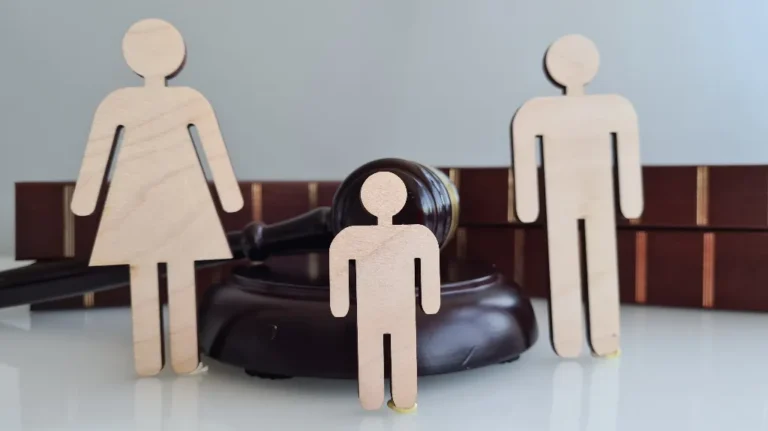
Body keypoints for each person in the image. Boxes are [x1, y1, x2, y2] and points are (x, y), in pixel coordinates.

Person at [71, 18, 243, 376]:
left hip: (175, 196)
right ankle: (159, 359)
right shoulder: (127, 102)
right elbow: (98, 152)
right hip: (141, 198)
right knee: (150, 272)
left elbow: (213, 148)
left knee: (167, 271)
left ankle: (178, 358)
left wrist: (85, 199)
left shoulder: (175, 100)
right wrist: (228, 196)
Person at [512, 34, 643, 358]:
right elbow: (524, 150)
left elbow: (627, 150)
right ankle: (571, 340)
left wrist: (630, 198)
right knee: (565, 267)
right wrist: (527, 204)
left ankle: (604, 336)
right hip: (562, 200)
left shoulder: (611, 107)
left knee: (600, 268)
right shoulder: (538, 111)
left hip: (596, 198)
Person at [329, 171, 441, 411]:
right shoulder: (417, 236)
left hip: (381, 309)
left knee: (383, 349)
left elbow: (337, 261)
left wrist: (339, 304)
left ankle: (379, 399)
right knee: (398, 350)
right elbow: (430, 265)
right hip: (391, 309)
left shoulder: (352, 236)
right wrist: (431, 302)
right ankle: (395, 398)